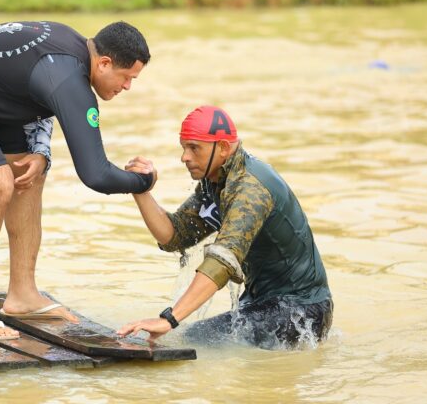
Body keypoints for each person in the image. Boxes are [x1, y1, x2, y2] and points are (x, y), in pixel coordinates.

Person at [0, 20, 155, 340]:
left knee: (28, 173)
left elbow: (41, 96)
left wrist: (41, 152)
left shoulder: (70, 55)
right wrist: (143, 182)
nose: (128, 87)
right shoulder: (68, 77)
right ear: (104, 63)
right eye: (127, 77)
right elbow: (96, 175)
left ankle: (22, 295)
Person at [117, 106, 333, 349]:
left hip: (302, 310)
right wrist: (140, 190)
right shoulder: (216, 181)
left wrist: (169, 319)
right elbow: (175, 236)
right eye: (183, 147)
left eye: (194, 148)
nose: (184, 157)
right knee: (199, 339)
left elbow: (222, 261)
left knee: (196, 339)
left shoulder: (249, 188)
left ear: (222, 148)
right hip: (265, 303)